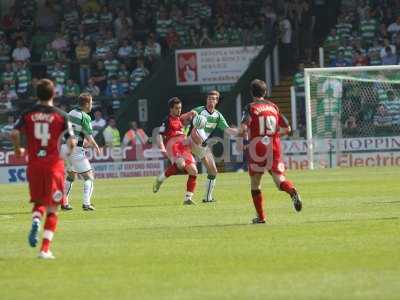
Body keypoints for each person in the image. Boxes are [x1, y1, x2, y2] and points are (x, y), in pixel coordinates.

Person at [10, 79, 76, 259]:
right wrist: (66, 155)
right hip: (54, 166)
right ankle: (44, 249)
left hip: (34, 165)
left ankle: (36, 220)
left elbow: (14, 133)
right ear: (53, 94)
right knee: (53, 208)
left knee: (39, 201)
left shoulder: (27, 113)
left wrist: (17, 149)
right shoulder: (62, 115)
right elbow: (72, 141)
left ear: (36, 94)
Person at [239, 79, 302, 224]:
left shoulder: (250, 107)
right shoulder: (273, 107)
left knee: (255, 183)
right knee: (279, 180)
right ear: (265, 92)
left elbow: (243, 128)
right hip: (274, 147)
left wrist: (244, 140)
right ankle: (291, 190)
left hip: (257, 148)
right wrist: (273, 136)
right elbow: (288, 129)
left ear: (251, 92)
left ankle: (261, 218)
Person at [189, 90, 237, 202]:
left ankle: (207, 197)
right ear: (206, 100)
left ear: (217, 101)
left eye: (213, 99)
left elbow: (228, 130)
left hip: (202, 145)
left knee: (213, 171)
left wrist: (241, 132)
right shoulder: (198, 111)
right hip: (191, 141)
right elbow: (192, 128)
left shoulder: (218, 116)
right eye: (209, 98)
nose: (211, 101)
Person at [152, 97, 198, 205]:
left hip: (184, 146)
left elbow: (184, 116)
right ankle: (160, 178)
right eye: (177, 108)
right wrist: (162, 147)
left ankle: (188, 198)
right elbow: (159, 135)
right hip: (173, 145)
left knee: (194, 171)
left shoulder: (180, 119)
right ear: (171, 109)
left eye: (180, 108)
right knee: (181, 164)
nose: (179, 110)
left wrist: (192, 113)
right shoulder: (166, 120)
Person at [62, 93, 100, 211]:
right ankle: (86, 204)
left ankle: (64, 203)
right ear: (87, 104)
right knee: (89, 177)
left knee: (70, 176)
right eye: (91, 103)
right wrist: (96, 146)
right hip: (76, 150)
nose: (92, 105)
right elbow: (89, 136)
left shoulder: (71, 113)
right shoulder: (85, 117)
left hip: (65, 148)